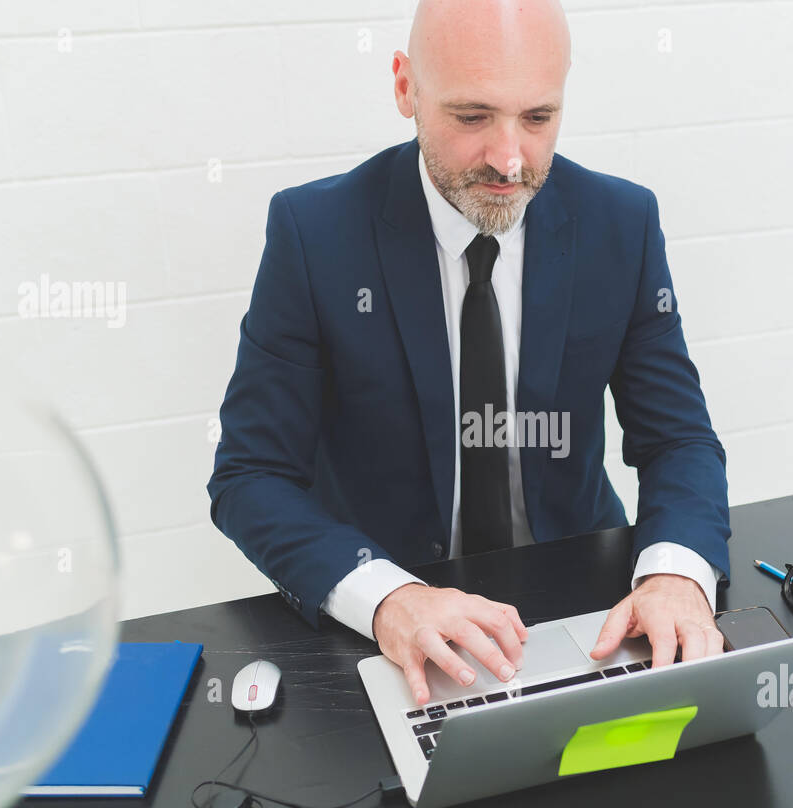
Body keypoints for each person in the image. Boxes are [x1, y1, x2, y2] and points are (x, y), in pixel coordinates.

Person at [208, 0, 730, 706]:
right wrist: (389, 598)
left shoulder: (621, 225)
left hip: (584, 600)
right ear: (406, 89)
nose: (509, 160)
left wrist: (672, 576)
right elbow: (252, 476)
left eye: (538, 118)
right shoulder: (315, 234)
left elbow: (678, 440)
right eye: (473, 117)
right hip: (392, 617)